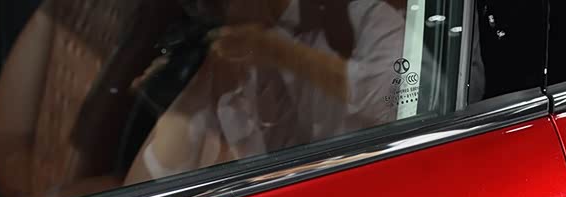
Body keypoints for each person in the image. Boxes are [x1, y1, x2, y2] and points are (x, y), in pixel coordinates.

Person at [125, 0, 405, 184]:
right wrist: (195, 86)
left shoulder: (361, 16)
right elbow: (151, 180)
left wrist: (278, 52)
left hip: (362, 190)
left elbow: (392, 101)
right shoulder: (232, 62)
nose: (209, 12)